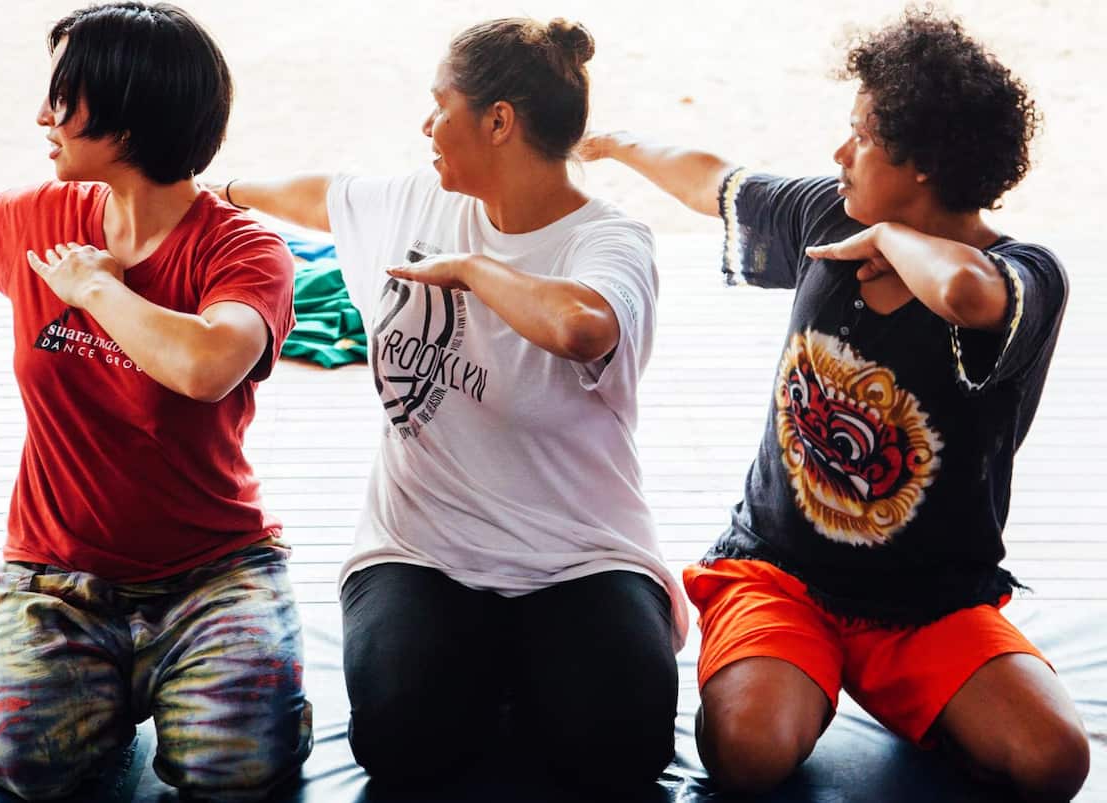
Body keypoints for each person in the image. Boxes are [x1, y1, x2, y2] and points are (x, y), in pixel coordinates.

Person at [579, 8, 1089, 801]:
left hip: (932, 604)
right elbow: (715, 179)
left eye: (862, 135)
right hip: (781, 575)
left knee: (1056, 759)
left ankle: (903, 693)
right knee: (748, 754)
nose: (839, 153)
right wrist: (615, 145)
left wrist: (886, 242)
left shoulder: (1028, 275)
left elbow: (961, 291)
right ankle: (797, 670)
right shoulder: (829, 215)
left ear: (922, 163)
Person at [0, 3, 311, 799]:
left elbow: (205, 365)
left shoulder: (241, 248)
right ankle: (117, 693)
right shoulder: (42, 217)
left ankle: (188, 685)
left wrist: (93, 289)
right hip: (57, 572)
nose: (43, 115)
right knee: (25, 761)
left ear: (130, 115)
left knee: (239, 770)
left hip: (215, 571)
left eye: (65, 97)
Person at [220, 16, 684, 793]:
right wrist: (215, 189)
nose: (427, 125)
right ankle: (500, 671)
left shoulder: (610, 242)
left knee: (622, 748)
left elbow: (579, 325)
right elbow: (317, 196)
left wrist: (472, 268)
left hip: (578, 554)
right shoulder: (412, 203)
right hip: (422, 548)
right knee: (402, 737)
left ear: (499, 120)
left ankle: (524, 669)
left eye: (442, 106)